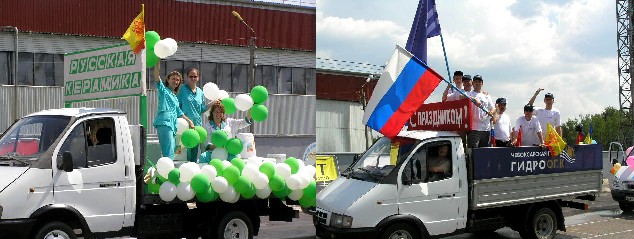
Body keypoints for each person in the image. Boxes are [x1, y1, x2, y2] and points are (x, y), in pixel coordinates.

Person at [153, 64, 194, 159]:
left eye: (177, 80)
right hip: (164, 123)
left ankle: (167, 170)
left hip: (172, 125)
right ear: (168, 79)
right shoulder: (163, 90)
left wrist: (189, 121)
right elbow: (156, 76)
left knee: (171, 151)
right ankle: (166, 171)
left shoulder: (175, 97)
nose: (175, 81)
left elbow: (179, 112)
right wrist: (158, 60)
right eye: (173, 79)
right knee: (168, 152)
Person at [177, 67, 211, 162]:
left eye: (195, 76)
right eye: (190, 76)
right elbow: (177, 108)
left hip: (197, 126)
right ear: (187, 78)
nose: (193, 78)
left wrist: (212, 103)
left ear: (198, 78)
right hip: (184, 125)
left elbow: (202, 109)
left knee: (194, 152)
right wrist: (186, 120)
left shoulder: (200, 92)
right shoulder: (182, 89)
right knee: (184, 151)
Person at [466, 75, 497, 148]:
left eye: (479, 82)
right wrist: (474, 99)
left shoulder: (486, 96)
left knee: (483, 152)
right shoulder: (469, 94)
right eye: (476, 81)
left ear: (482, 83)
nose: (477, 83)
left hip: (486, 129)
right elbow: (461, 96)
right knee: (473, 152)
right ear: (472, 83)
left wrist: (491, 112)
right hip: (474, 129)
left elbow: (493, 108)